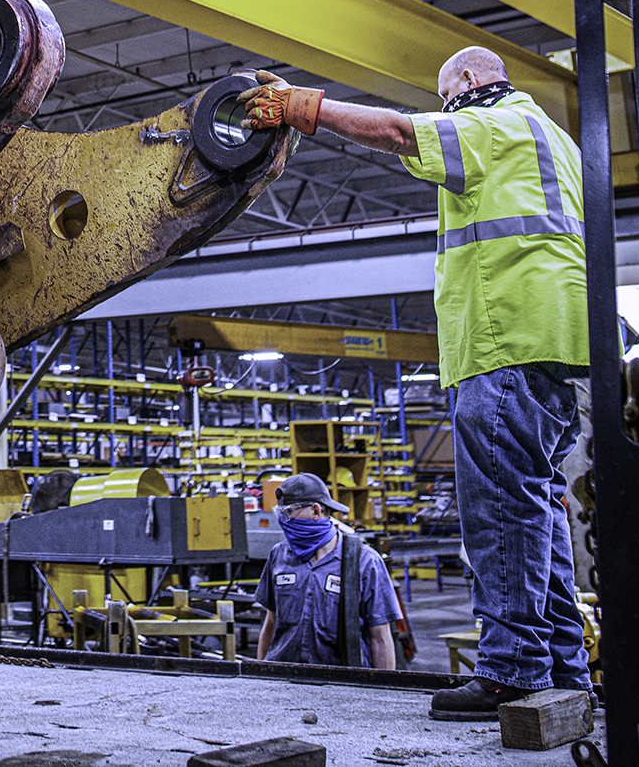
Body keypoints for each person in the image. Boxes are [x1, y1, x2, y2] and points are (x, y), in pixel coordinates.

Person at [241, 47, 592, 719]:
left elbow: (401, 132)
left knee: (498, 514)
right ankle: (563, 669)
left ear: (464, 81)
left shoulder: (491, 124)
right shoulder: (556, 139)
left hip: (501, 340)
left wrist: (298, 106)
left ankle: (513, 672)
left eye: (445, 90)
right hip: (558, 342)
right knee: (540, 509)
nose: (445, 102)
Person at [254, 473, 400, 670]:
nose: (284, 521)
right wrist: (260, 674)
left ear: (315, 510)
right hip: (283, 679)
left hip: (341, 682)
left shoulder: (364, 561)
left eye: (289, 512)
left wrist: (382, 693)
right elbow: (270, 624)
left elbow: (380, 636)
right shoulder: (279, 556)